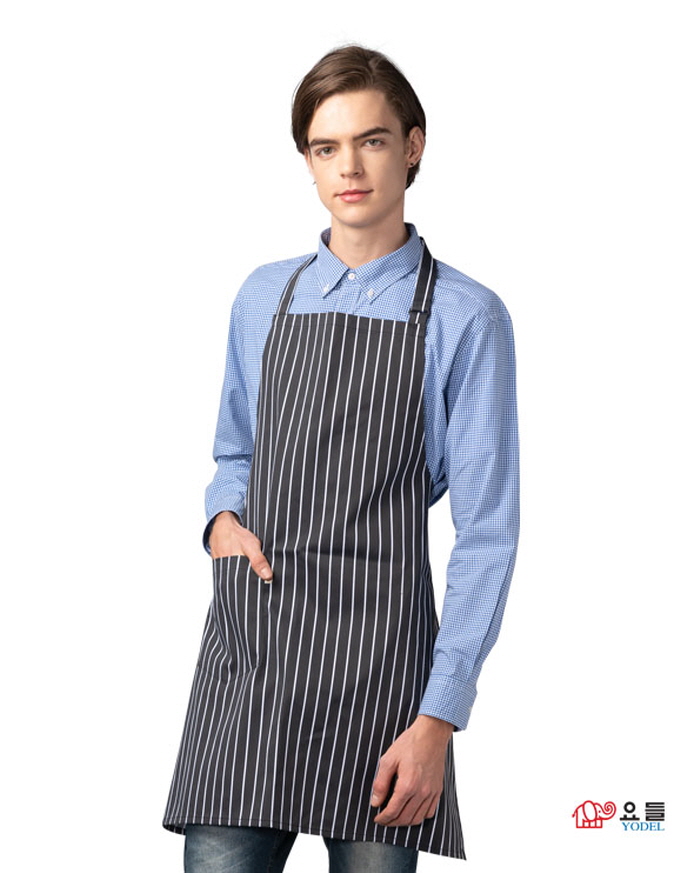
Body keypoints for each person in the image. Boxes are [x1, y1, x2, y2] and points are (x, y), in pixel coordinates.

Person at [163, 45, 519, 872]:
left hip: (383, 682)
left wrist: (440, 715)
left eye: (372, 140)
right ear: (308, 160)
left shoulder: (467, 317)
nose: (349, 167)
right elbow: (236, 448)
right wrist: (221, 521)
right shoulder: (264, 295)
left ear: (413, 147)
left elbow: (487, 534)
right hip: (251, 660)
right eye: (327, 147)